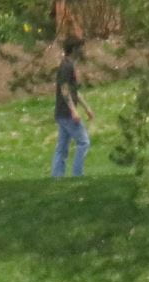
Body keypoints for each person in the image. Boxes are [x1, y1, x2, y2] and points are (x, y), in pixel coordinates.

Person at [52, 38, 95, 179]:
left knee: (62, 148)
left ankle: (57, 176)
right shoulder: (66, 66)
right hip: (66, 113)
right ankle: (77, 174)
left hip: (62, 112)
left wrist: (86, 107)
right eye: (80, 48)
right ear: (74, 50)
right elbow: (64, 89)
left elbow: (74, 91)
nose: (83, 51)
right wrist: (73, 110)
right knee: (83, 142)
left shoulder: (69, 65)